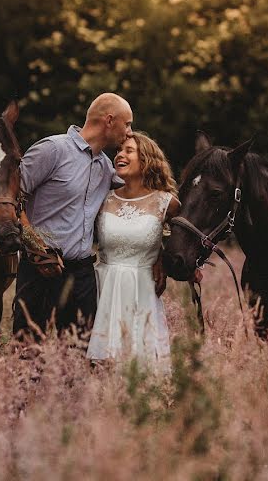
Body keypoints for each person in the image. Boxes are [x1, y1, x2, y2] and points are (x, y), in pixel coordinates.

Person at [13, 93, 138, 338]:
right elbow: (12, 199)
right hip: (40, 268)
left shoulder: (106, 167)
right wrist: (34, 246)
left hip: (82, 274)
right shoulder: (52, 150)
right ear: (109, 120)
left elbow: (141, 190)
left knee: (79, 356)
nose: (130, 132)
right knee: (27, 350)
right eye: (128, 124)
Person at [86, 132, 180, 371]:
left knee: (140, 368)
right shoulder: (104, 199)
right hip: (103, 288)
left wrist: (161, 257)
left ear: (146, 159)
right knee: (100, 368)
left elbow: (184, 240)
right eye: (119, 151)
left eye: (128, 150)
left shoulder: (166, 202)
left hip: (141, 291)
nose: (120, 155)